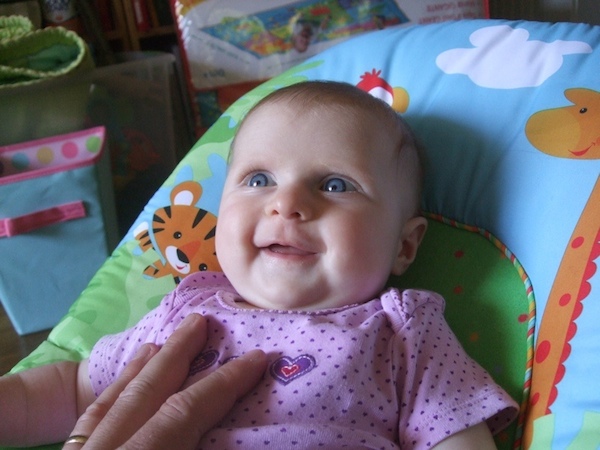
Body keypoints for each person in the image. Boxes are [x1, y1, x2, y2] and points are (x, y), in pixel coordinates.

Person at [0, 81, 518, 449]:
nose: (286, 203)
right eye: (258, 180)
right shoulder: (187, 309)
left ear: (405, 247)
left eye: (335, 185)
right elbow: (74, 390)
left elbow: (454, 431)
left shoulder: (402, 329)